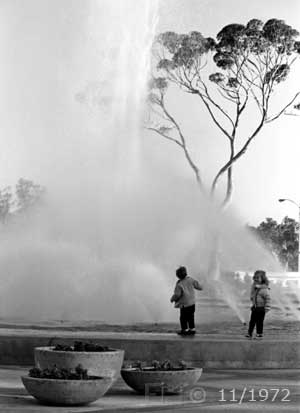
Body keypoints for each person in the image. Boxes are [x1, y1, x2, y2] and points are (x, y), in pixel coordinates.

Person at [170, 266, 203, 336]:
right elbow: (198, 286)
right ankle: (192, 329)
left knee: (183, 318)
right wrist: (201, 286)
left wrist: (172, 299)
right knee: (191, 316)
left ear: (178, 276)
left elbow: (177, 295)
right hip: (192, 303)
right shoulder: (191, 280)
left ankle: (184, 330)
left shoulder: (179, 284)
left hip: (184, 305)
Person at [245, 270, 271, 339]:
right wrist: (252, 302)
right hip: (255, 307)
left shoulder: (264, 289)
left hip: (261, 308)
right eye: (255, 277)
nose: (256, 279)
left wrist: (267, 307)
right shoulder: (255, 287)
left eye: (258, 278)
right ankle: (249, 333)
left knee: (259, 322)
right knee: (252, 321)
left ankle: (259, 334)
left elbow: (268, 299)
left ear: (262, 279)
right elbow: (254, 296)